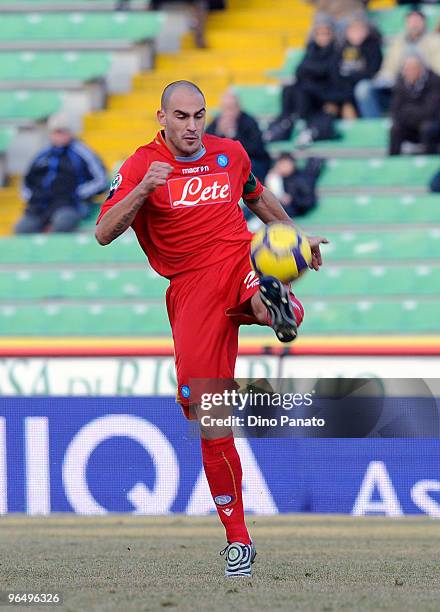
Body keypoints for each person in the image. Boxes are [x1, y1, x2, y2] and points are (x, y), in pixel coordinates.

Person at [95, 80, 327, 578]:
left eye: (199, 115)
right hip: (190, 289)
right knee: (211, 418)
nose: (193, 126)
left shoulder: (231, 154)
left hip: (235, 255)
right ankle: (238, 539)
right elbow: (103, 232)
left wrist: (296, 236)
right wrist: (142, 191)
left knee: (261, 288)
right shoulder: (140, 165)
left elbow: (259, 199)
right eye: (182, 117)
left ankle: (275, 306)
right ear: (161, 118)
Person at [15, 113, 108, 234]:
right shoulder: (42, 155)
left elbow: (101, 180)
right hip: (39, 208)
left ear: (70, 132)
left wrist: (77, 194)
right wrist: (32, 197)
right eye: (55, 132)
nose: (59, 136)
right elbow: (26, 182)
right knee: (22, 228)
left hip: (69, 206)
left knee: (62, 223)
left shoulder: (82, 152)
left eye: (63, 132)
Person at [356, 9, 440, 117]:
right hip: (396, 85)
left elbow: (437, 70)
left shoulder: (436, 41)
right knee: (364, 88)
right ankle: (374, 126)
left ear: (424, 23)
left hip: (425, 86)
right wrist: (387, 79)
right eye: (411, 21)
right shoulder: (397, 42)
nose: (414, 24)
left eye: (417, 21)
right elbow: (387, 69)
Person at [205, 91, 272, 183]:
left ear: (238, 107)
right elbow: (206, 144)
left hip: (253, 161)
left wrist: (233, 135)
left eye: (231, 108)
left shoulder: (249, 122)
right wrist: (219, 132)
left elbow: (256, 148)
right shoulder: (217, 122)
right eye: (225, 108)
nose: (228, 112)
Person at [389, 54, 440, 155]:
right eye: (406, 69)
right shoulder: (400, 82)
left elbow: (430, 111)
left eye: (413, 69)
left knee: (428, 128)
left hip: (432, 124)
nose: (409, 72)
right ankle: (392, 163)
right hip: (411, 124)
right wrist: (412, 112)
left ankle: (429, 162)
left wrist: (408, 111)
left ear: (421, 69)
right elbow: (395, 110)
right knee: (395, 128)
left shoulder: (434, 80)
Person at [337, 17, 382, 118]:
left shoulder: (372, 46)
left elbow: (372, 71)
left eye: (359, 30)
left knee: (362, 89)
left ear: (366, 31)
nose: (356, 34)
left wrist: (350, 78)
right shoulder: (342, 48)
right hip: (346, 84)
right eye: (353, 31)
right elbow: (337, 70)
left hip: (365, 81)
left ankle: (371, 123)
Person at [265, 153, 325, 217]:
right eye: (280, 164)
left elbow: (308, 201)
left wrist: (292, 199)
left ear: (292, 164)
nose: (282, 167)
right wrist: (272, 178)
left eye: (285, 165)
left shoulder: (301, 179)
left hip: (297, 210)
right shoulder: (276, 177)